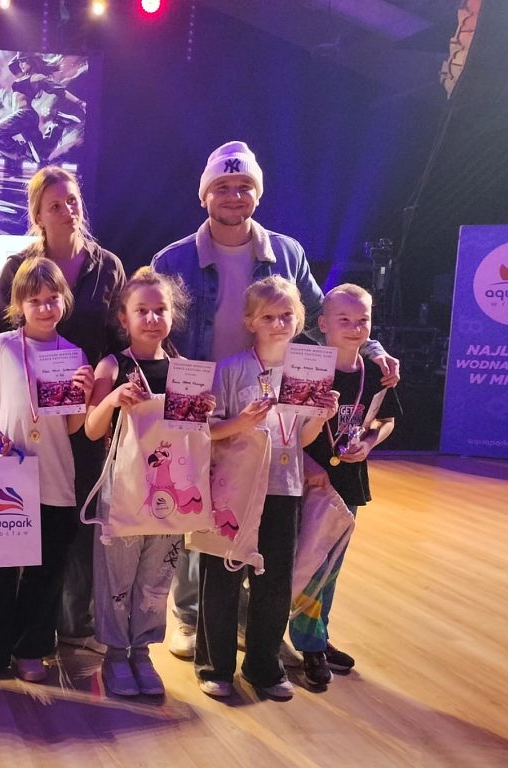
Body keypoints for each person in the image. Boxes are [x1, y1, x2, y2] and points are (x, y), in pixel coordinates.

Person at [150, 140, 400, 660]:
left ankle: (248, 619)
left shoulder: (287, 253)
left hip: (268, 399)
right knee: (200, 504)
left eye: (244, 186)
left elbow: (327, 313)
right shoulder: (172, 259)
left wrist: (372, 348)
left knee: (260, 513)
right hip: (203, 397)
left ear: (258, 194)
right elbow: (155, 327)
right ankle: (189, 614)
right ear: (204, 195)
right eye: (222, 186)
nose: (234, 195)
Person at [0, 165, 125, 652]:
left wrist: (102, 379)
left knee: (67, 529)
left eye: (72, 200)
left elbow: (117, 338)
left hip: (82, 408)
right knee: (5, 539)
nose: (67, 210)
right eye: (55, 204)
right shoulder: (18, 268)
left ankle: (62, 630)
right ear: (37, 214)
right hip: (19, 428)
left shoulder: (107, 266)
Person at [0, 257, 95, 683]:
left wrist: (83, 398)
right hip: (7, 474)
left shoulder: (73, 355)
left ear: (64, 300)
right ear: (19, 305)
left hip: (55, 477)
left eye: (52, 299)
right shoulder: (3, 346)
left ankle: (31, 649)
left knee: (46, 572)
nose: (45, 308)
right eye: (35, 301)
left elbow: (72, 427)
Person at [196, 276, 339, 701]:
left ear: (299, 319)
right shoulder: (230, 369)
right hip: (235, 489)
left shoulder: (307, 369)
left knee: (275, 581)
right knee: (223, 576)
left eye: (286, 315)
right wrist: (242, 422)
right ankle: (215, 665)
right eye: (268, 317)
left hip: (284, 487)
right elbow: (207, 431)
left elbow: (302, 440)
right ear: (250, 321)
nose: (278, 324)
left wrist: (321, 416)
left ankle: (263, 666)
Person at [83, 267, 214, 697]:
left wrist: (203, 412)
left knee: (157, 576)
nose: (153, 318)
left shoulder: (185, 371)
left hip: (168, 494)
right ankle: (114, 654)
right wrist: (113, 398)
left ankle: (142, 652)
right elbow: (91, 429)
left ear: (173, 315)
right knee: (116, 577)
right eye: (142, 310)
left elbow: (195, 437)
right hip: (123, 491)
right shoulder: (113, 365)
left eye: (161, 310)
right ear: (124, 317)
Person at [291, 284, 401, 688]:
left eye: (362, 321)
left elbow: (386, 420)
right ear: (322, 324)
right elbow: (286, 424)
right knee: (303, 560)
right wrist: (305, 460)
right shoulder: (307, 368)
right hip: (306, 480)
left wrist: (369, 443)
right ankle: (300, 640)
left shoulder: (376, 373)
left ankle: (315, 639)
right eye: (344, 320)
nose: (355, 328)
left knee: (330, 565)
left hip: (347, 482)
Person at [0, 53, 86, 170]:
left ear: (31, 61)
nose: (21, 64)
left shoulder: (37, 78)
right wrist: (24, 53)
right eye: (20, 61)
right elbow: (12, 64)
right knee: (42, 153)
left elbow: (60, 91)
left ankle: (24, 152)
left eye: (24, 61)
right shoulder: (21, 75)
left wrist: (80, 102)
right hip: (26, 119)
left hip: (24, 115)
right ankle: (58, 125)